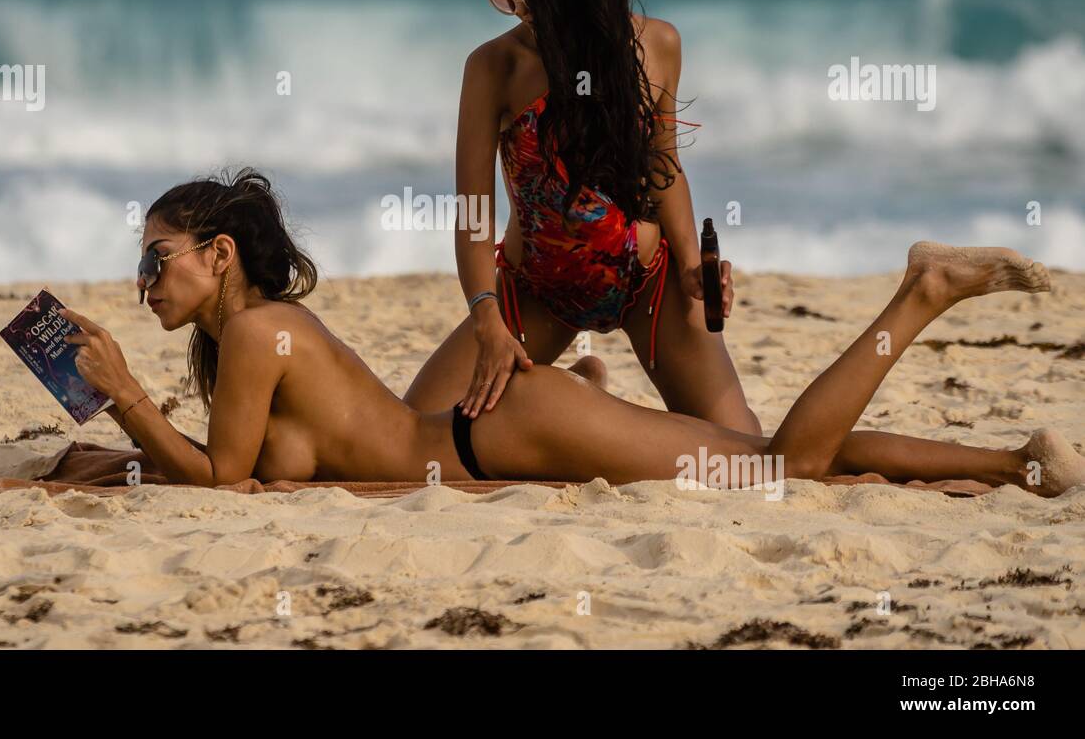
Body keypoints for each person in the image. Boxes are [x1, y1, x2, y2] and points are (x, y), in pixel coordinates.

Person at [63, 169, 1083, 497]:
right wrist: (90, 463)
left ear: (222, 253)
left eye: (160, 257)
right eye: (142, 260)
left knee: (777, 471)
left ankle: (920, 292)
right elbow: (222, 467)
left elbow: (226, 486)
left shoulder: (258, 336)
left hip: (497, 432)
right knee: (753, 462)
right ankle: (1013, 460)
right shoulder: (252, 339)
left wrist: (123, 391)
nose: (144, 277)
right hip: (468, 434)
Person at [402, 0, 758, 434]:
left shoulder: (657, 45)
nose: (513, 7)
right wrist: (486, 318)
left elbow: (664, 170)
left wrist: (693, 265)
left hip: (647, 282)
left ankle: (576, 394)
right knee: (419, 430)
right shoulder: (494, 67)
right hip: (537, 291)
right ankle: (577, 388)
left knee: (739, 443)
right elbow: (473, 211)